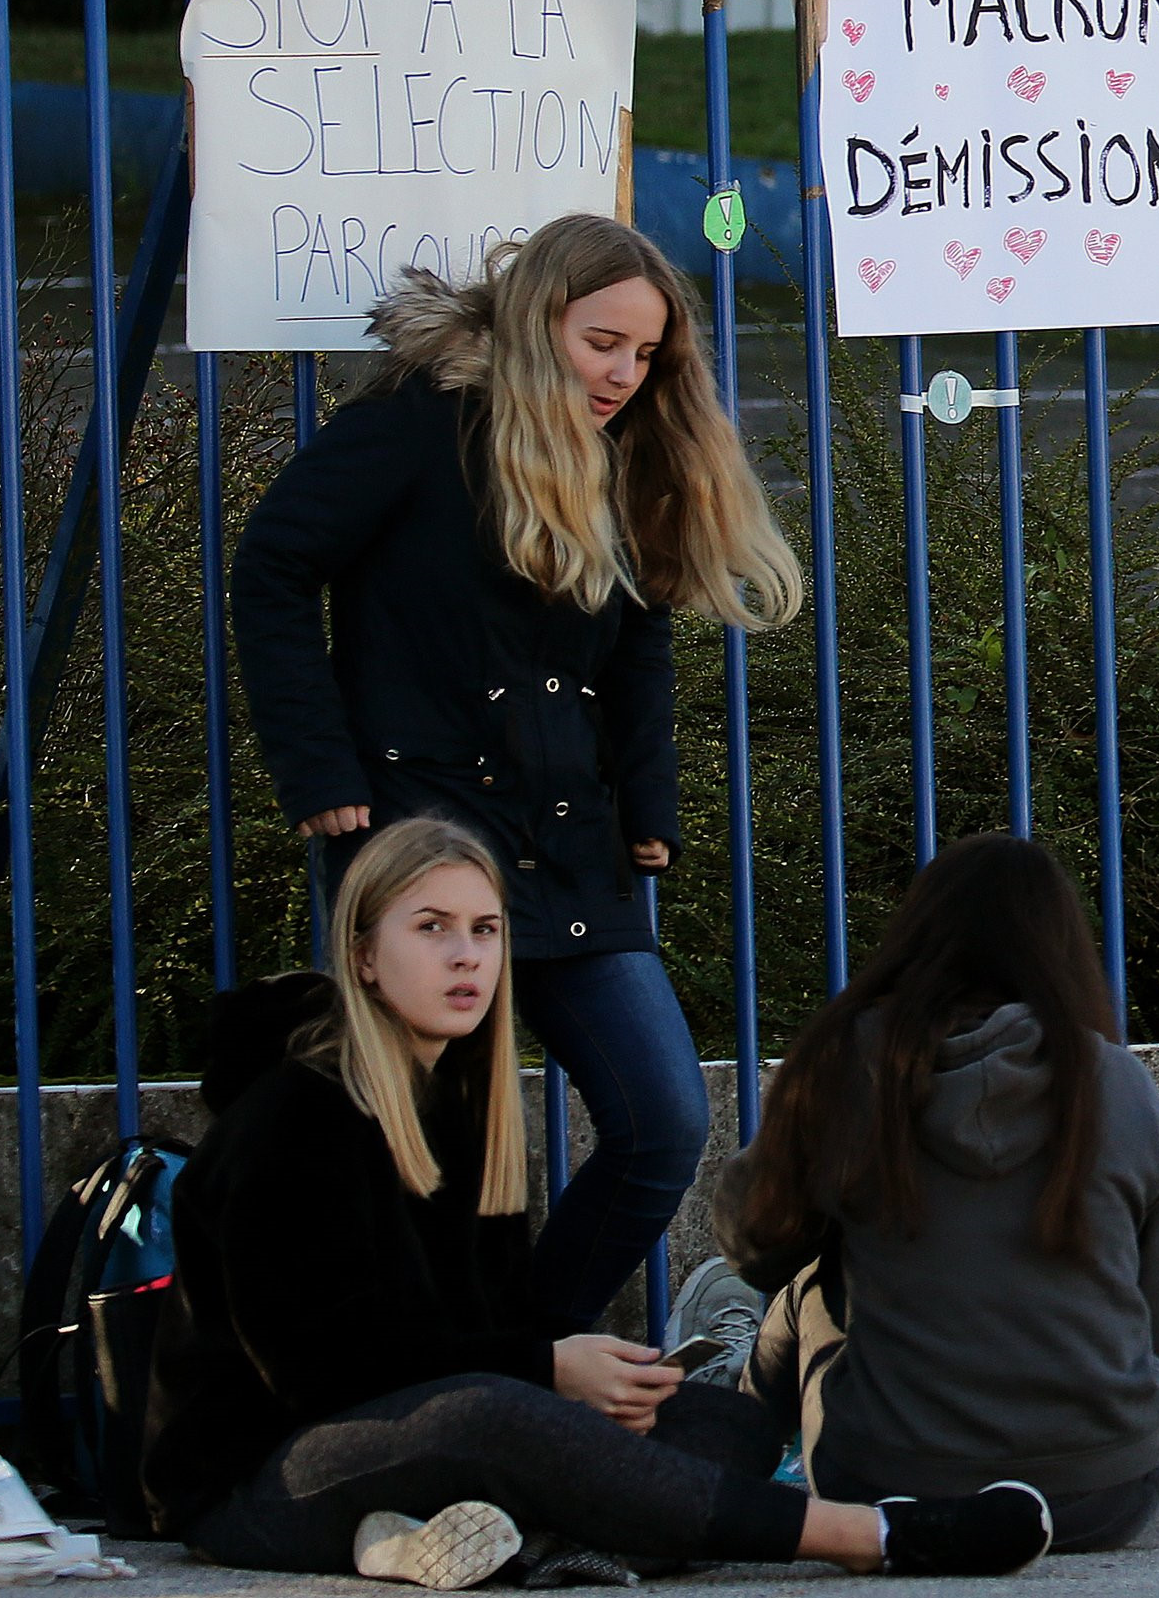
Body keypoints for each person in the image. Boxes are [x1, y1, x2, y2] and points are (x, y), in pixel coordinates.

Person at [142, 817, 1055, 1585]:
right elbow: (319, 1370)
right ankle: (877, 1536)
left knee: (721, 1421)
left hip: (420, 1441)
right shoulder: (294, 1113)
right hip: (262, 1475)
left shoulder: (464, 1110)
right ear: (364, 956)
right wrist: (546, 1369)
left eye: (487, 929)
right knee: (503, 1420)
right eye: (431, 928)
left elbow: (490, 1323)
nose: (467, 956)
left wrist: (600, 1383)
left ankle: (468, 1542)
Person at [228, 215, 800, 1336]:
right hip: (416, 838)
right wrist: (319, 768)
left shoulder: (625, 455)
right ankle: (442, 1386)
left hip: (569, 843)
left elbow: (642, 635)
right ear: (539, 321)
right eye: (603, 343)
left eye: (645, 355)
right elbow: (274, 564)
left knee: (662, 1119)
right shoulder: (417, 427)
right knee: (424, 1145)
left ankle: (517, 1357)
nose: (624, 376)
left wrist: (650, 804)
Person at [702, 833, 1159, 1553]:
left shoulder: (850, 1061)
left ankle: (716, 1476)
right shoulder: (1115, 1081)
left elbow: (750, 1242)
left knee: (806, 1287)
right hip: (1106, 1492)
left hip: (889, 1485)